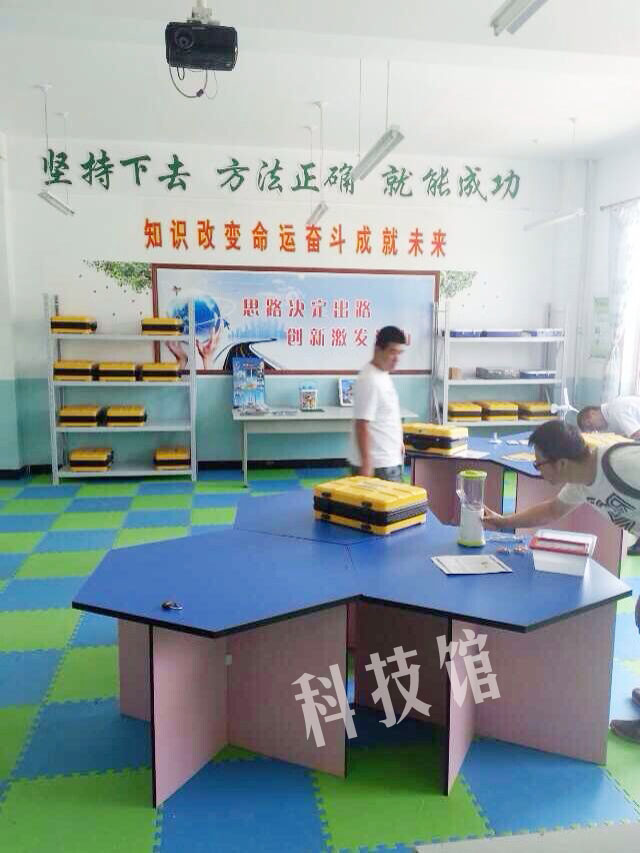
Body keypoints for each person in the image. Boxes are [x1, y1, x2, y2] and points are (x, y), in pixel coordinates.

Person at [484, 419, 640, 744]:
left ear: (562, 463)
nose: (538, 470)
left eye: (539, 464)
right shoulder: (582, 479)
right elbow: (553, 510)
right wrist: (503, 522)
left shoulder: (622, 464)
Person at [578, 395, 640, 556]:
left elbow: (637, 435)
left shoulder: (617, 410)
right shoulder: (615, 409)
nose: (595, 430)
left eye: (590, 425)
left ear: (591, 413)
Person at [350, 326, 406, 482]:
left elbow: (386, 414)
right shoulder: (369, 379)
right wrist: (367, 463)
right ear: (377, 349)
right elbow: (362, 424)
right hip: (378, 466)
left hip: (388, 460)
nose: (396, 359)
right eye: (392, 352)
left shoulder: (382, 374)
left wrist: (398, 441)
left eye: (400, 353)